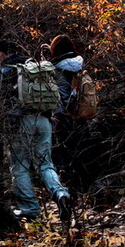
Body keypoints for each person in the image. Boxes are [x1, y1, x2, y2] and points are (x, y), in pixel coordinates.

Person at [0, 40, 72, 222]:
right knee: (46, 163)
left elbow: (0, 100)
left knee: (20, 167)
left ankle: (30, 209)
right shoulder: (35, 66)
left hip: (23, 121)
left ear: (4, 53)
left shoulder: (7, 70)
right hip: (44, 120)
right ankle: (61, 194)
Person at [48, 34, 84, 178]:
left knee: (61, 144)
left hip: (61, 112)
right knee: (78, 144)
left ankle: (64, 175)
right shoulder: (79, 63)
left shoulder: (55, 67)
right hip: (80, 109)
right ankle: (80, 176)